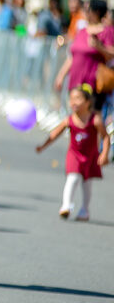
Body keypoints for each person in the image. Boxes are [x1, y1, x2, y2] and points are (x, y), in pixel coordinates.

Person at [36, 84, 110, 221]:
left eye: (78, 99)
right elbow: (54, 134)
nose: (73, 102)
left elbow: (106, 137)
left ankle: (85, 210)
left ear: (88, 102)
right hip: (74, 155)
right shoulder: (69, 120)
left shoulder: (95, 120)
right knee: (73, 178)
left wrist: (104, 154)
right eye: (71, 99)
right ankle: (66, 205)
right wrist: (43, 146)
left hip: (90, 156)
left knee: (87, 184)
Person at [55, 0, 114, 111]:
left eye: (87, 9)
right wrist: (61, 75)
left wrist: (99, 47)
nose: (84, 12)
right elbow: (72, 57)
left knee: (91, 116)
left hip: (93, 84)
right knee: (74, 114)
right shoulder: (82, 31)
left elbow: (111, 55)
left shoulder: (106, 31)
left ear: (96, 12)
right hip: (75, 81)